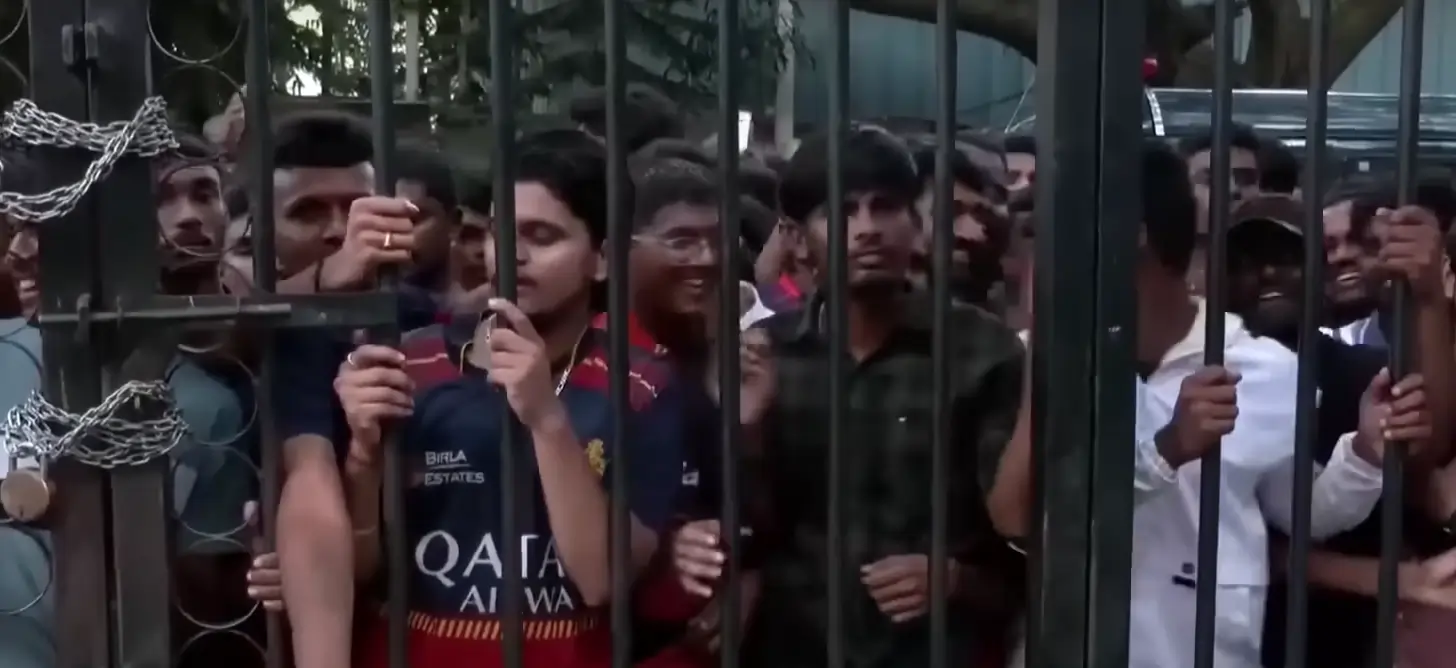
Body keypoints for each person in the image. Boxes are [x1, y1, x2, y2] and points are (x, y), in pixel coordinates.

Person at [985, 141, 1423, 668]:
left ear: (1127, 234)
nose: (1044, 251)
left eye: (1059, 229)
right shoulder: (1042, 352)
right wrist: (1169, 449)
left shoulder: (1261, 368)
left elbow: (1305, 513)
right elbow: (1015, 518)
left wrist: (1366, 453)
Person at [324, 129, 694, 668]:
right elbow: (357, 571)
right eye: (502, 231)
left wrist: (546, 417)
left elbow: (601, 581)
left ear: (603, 259)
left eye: (543, 236)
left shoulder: (641, 383)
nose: (514, 254)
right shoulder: (409, 364)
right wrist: (361, 455)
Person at [673, 125, 1025, 667]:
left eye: (885, 208)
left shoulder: (981, 353)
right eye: (841, 211)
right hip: (797, 647)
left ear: (916, 223)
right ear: (794, 237)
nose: (867, 230)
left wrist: (954, 579)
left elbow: (1021, 539)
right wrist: (748, 430)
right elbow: (744, 529)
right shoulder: (765, 355)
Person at [1223, 194, 1454, 668]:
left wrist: (1428, 296)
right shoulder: (1199, 381)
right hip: (1231, 638)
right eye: (1245, 261)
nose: (1266, 273)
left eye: (1287, 257)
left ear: (1319, 273)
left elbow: (1421, 451)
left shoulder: (1364, 374)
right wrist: (1388, 578)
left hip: (1351, 640)